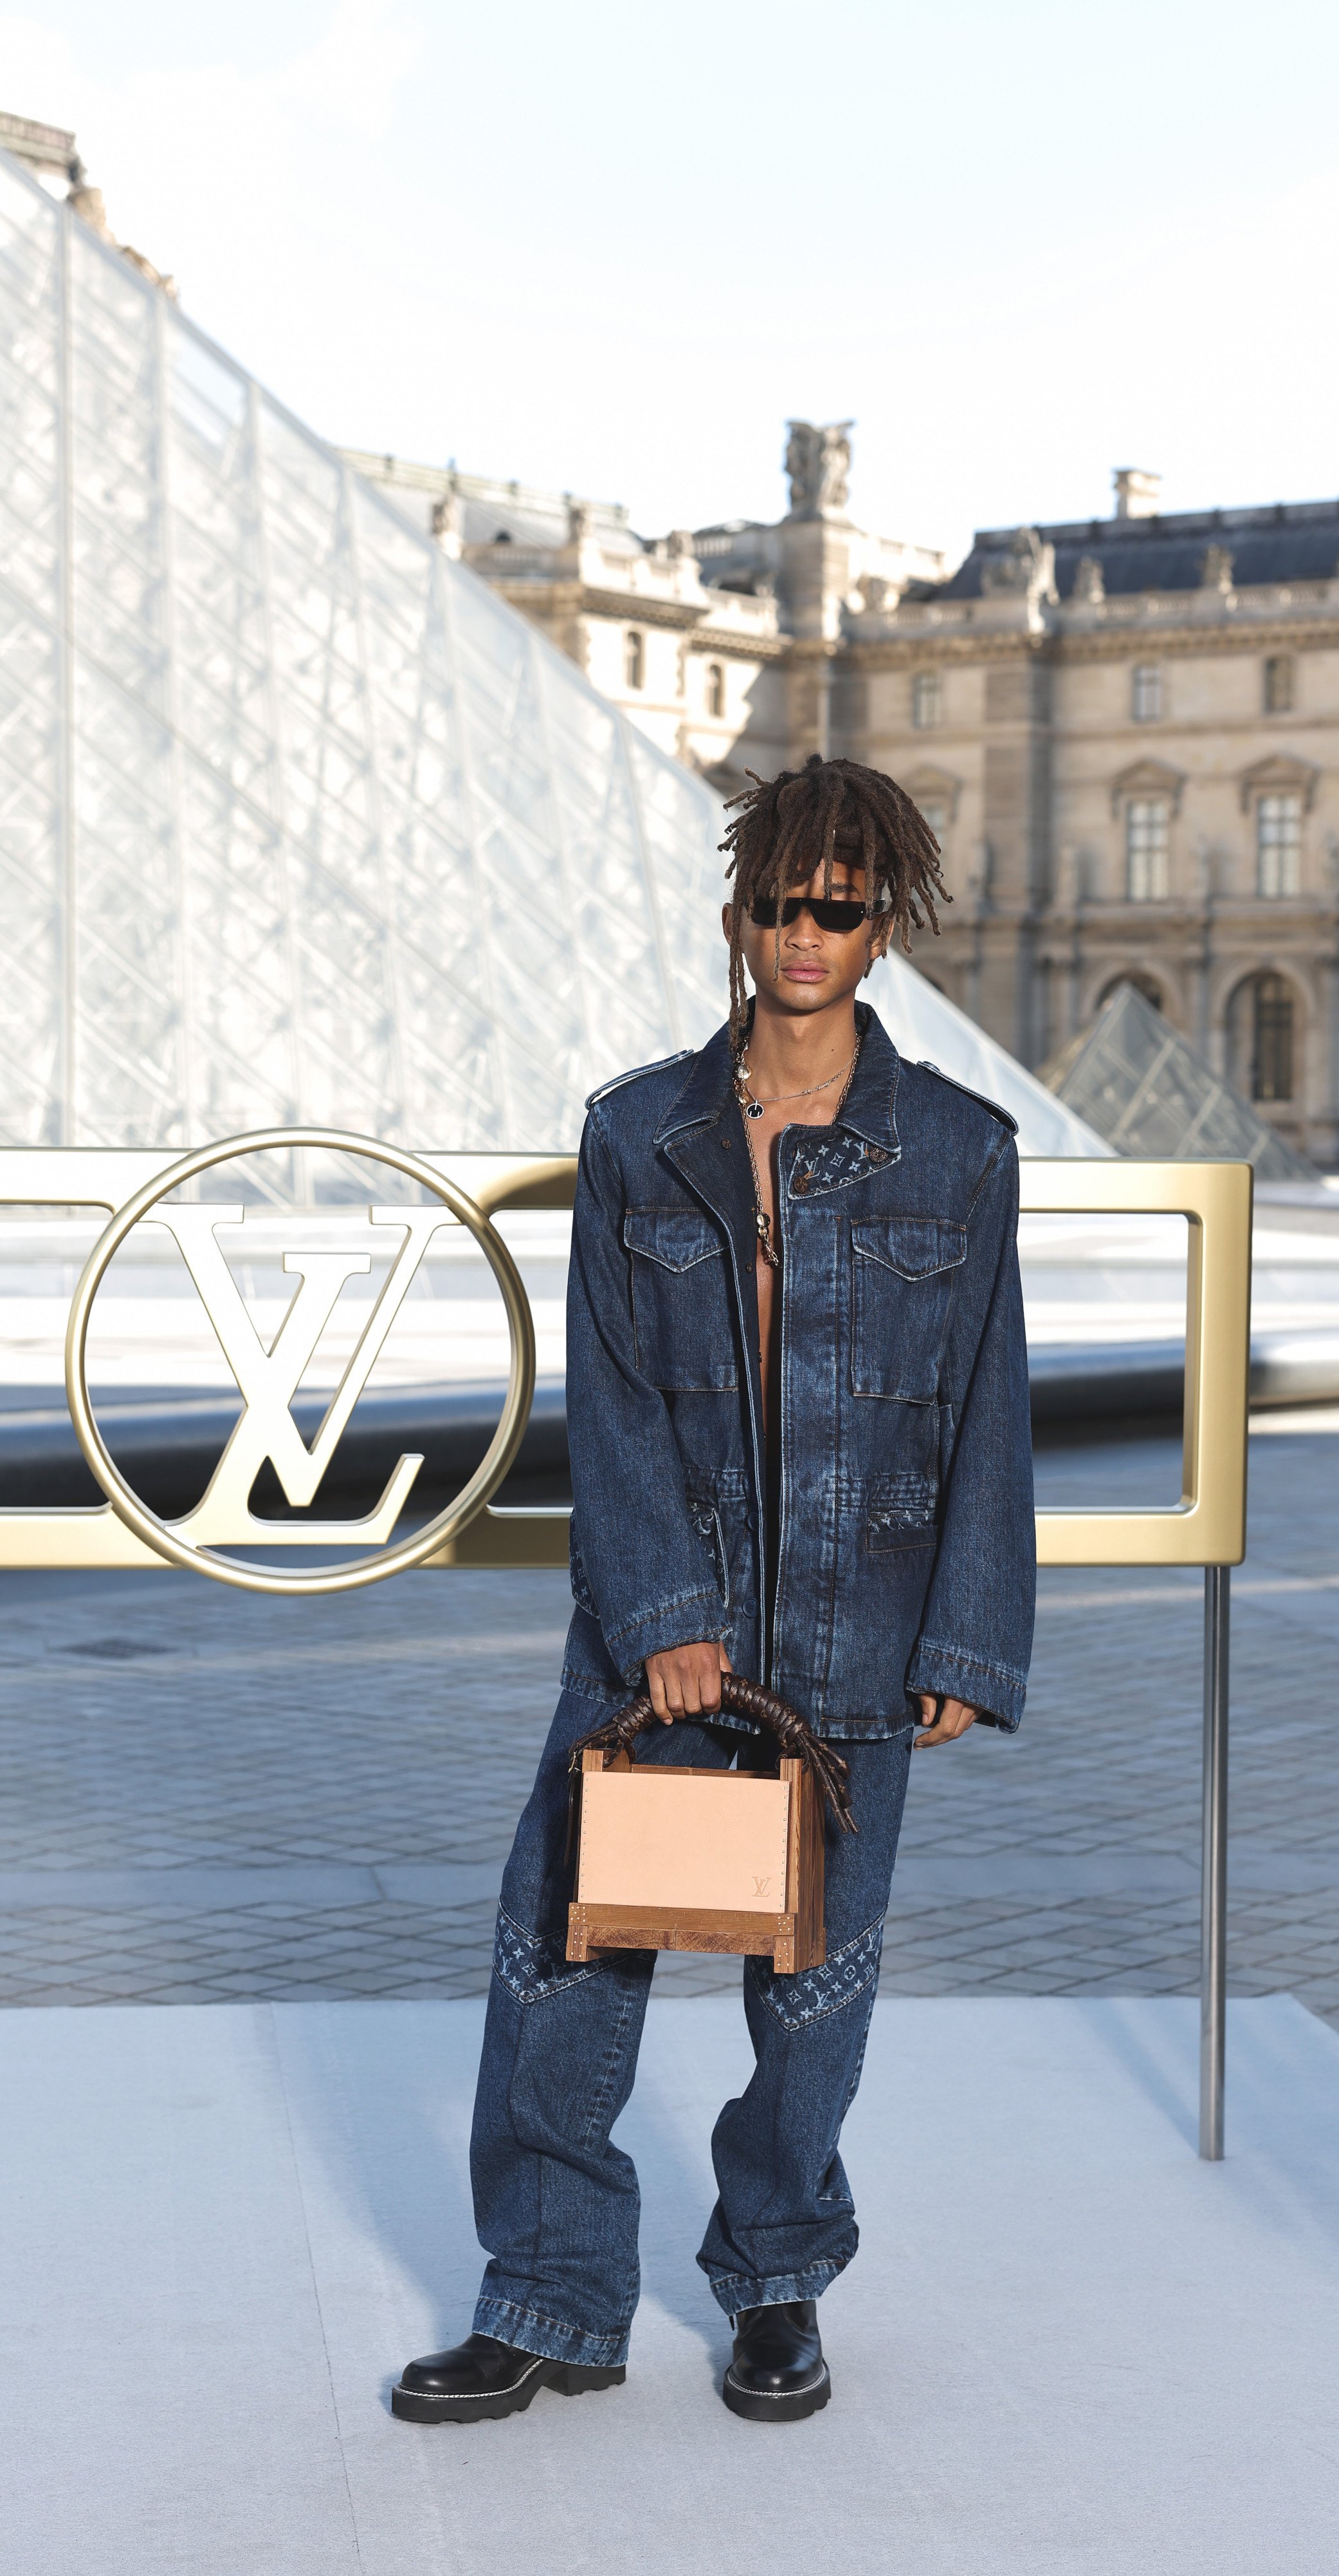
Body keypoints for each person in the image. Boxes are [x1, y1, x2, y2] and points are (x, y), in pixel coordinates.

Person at [394, 756, 1035, 2425]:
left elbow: (988, 1405)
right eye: (776, 901)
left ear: (880, 923)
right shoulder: (638, 1137)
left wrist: (967, 1635)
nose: (803, 932)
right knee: (563, 1957)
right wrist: (661, 1610)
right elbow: (601, 1405)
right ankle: (545, 2293)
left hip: (861, 1619)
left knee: (813, 1993)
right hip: (653, 1634)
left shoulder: (960, 1153)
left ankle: (774, 2284)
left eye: (837, 904)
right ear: (736, 908)